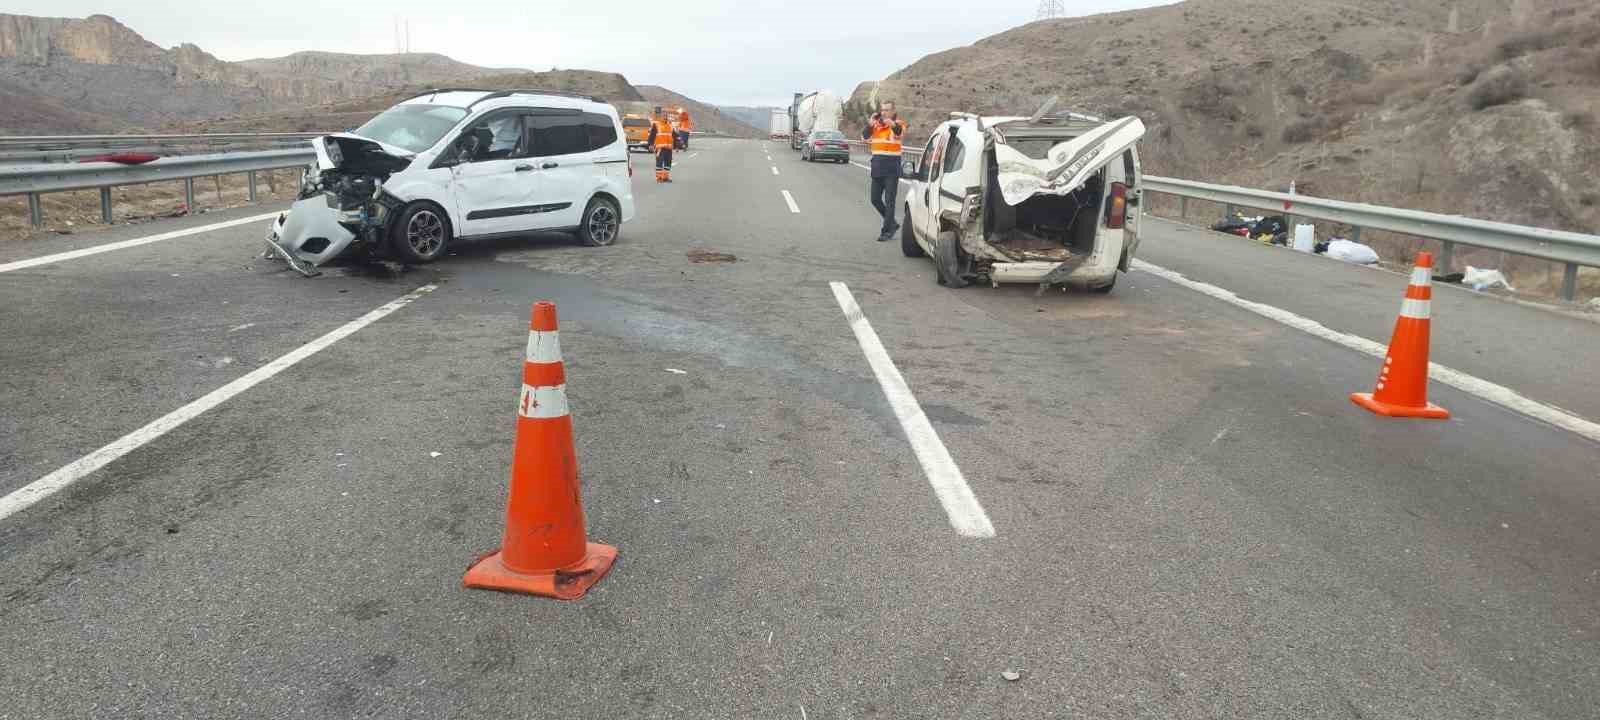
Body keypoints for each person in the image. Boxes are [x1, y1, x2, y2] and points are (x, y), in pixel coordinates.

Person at [861, 100, 908, 241]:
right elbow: (864, 137)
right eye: (882, 110)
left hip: (891, 168)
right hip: (877, 166)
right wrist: (870, 123)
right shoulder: (876, 125)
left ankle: (887, 231)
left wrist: (892, 124)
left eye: (887, 110)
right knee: (874, 199)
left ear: (893, 111)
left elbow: (899, 133)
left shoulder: (899, 123)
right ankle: (892, 223)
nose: (884, 112)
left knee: (889, 200)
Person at [647, 109, 675, 183]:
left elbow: (674, 136)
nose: (665, 117)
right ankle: (659, 178)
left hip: (669, 148)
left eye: (666, 116)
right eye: (664, 116)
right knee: (659, 162)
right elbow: (652, 135)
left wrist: (679, 145)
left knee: (668, 163)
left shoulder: (670, 126)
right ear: (660, 116)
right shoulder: (656, 125)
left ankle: (665, 177)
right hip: (660, 148)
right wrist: (650, 144)